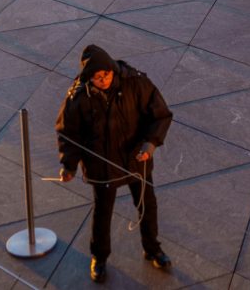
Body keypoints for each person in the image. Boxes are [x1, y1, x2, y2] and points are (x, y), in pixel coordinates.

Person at [55, 44, 173, 284]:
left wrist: (150, 144)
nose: (104, 80)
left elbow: (160, 114)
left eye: (106, 74)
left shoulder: (136, 83)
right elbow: (68, 133)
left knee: (147, 204)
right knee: (103, 212)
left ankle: (152, 248)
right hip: (102, 163)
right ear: (89, 78)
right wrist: (69, 165)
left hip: (135, 159)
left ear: (112, 70)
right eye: (98, 78)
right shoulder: (78, 97)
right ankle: (99, 257)